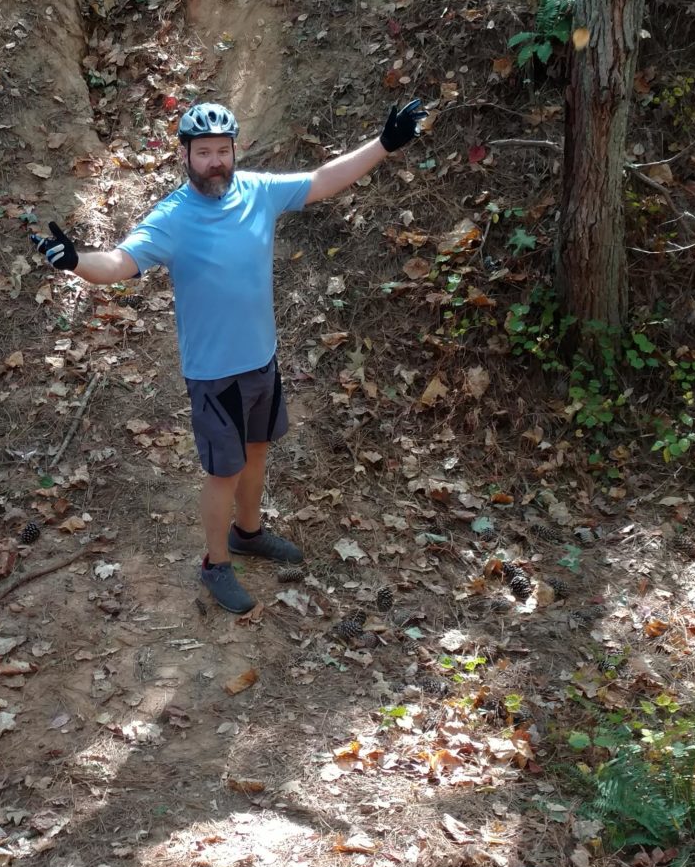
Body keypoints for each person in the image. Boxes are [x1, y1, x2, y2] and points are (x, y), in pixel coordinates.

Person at [32, 96, 425, 614]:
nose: (215, 161)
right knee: (224, 471)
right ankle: (216, 563)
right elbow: (119, 262)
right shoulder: (172, 217)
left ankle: (248, 532)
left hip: (262, 360)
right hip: (215, 374)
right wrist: (77, 260)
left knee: (257, 452)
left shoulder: (258, 192)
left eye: (223, 150)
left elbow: (322, 180)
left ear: (234, 150)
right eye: (204, 153)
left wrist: (384, 144)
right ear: (185, 156)